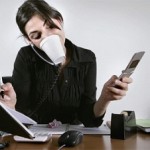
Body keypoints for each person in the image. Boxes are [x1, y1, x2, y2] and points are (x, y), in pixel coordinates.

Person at [0, 0, 132, 127]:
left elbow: (89, 121)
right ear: (28, 39)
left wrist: (105, 98)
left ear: (59, 20)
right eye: (36, 35)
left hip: (74, 137)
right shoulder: (26, 56)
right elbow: (21, 113)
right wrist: (10, 107)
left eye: (51, 26)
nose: (47, 37)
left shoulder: (86, 58)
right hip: (37, 137)